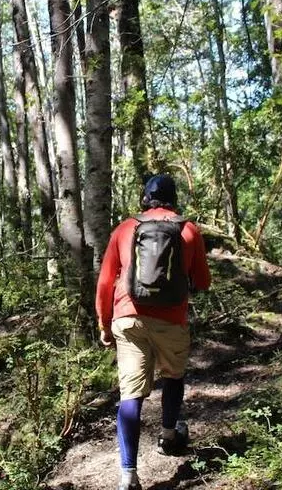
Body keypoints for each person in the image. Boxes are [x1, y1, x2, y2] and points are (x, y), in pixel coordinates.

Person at [95, 174, 211, 490]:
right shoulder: (189, 230)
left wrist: (104, 324)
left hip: (128, 318)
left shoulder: (124, 229)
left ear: (145, 199)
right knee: (173, 377)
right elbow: (203, 282)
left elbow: (105, 282)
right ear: (174, 200)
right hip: (172, 319)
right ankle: (170, 434)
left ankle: (128, 475)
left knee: (130, 394)